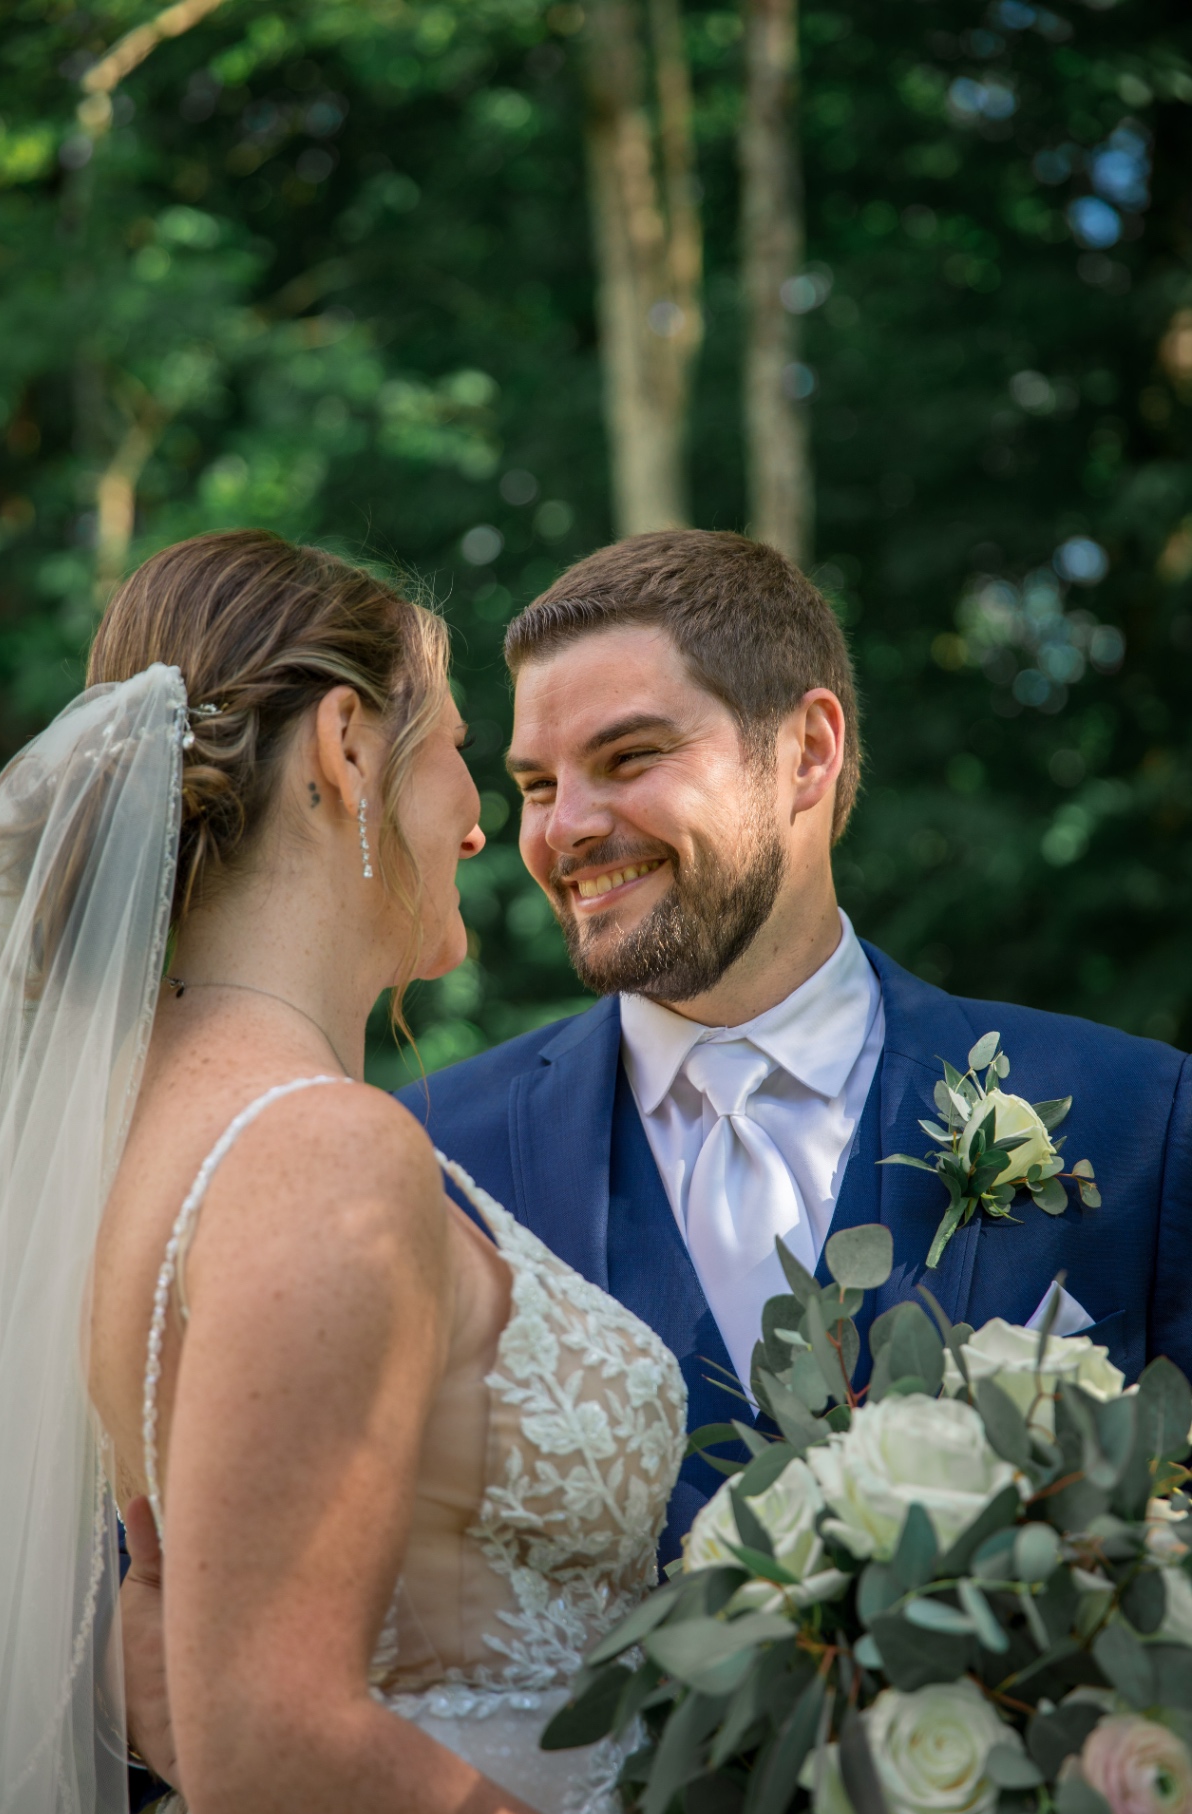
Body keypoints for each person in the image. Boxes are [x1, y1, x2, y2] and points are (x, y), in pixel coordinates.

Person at [0, 529, 686, 1814]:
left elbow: (213, 1671)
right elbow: (276, 1747)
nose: (481, 823)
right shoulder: (320, 1150)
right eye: (456, 746)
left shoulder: (137, 1127)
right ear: (346, 747)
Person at [394, 528, 1192, 1554]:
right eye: (538, 786)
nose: (564, 829)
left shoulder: (1140, 1123)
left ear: (807, 752)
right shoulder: (429, 1159)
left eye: (628, 757)